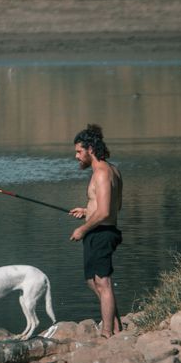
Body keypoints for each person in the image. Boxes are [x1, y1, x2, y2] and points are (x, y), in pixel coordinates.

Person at [69, 124, 124, 337]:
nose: (76, 156)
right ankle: (116, 325)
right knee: (92, 281)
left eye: (79, 151)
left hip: (101, 232)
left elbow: (104, 212)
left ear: (90, 149)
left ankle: (108, 332)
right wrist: (86, 210)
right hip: (100, 229)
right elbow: (112, 207)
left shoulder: (101, 173)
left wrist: (83, 228)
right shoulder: (112, 170)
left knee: (103, 281)